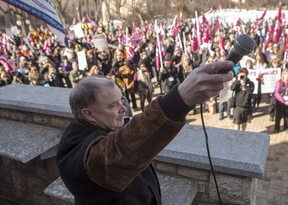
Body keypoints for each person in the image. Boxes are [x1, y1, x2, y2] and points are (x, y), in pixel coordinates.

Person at [56, 60, 234, 205]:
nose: (124, 109)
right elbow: (120, 149)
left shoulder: (104, 125)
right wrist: (180, 99)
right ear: (88, 114)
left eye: (121, 101)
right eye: (113, 105)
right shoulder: (81, 153)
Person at [273, 69, 288, 133]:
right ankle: (277, 128)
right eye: (286, 74)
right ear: (283, 75)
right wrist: (283, 101)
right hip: (280, 102)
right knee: (278, 116)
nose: (287, 76)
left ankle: (286, 127)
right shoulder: (279, 82)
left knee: (287, 116)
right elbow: (276, 93)